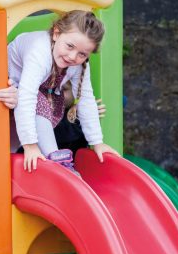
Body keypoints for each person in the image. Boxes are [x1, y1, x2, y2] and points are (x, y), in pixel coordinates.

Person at [8, 10, 119, 175]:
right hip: (6, 82)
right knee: (39, 102)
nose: (73, 56)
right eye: (70, 46)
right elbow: (27, 95)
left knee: (53, 102)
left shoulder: (79, 64)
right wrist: (30, 146)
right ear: (56, 33)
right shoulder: (40, 51)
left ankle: (19, 154)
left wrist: (97, 142)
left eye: (82, 54)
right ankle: (58, 161)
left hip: (36, 89)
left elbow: (86, 99)